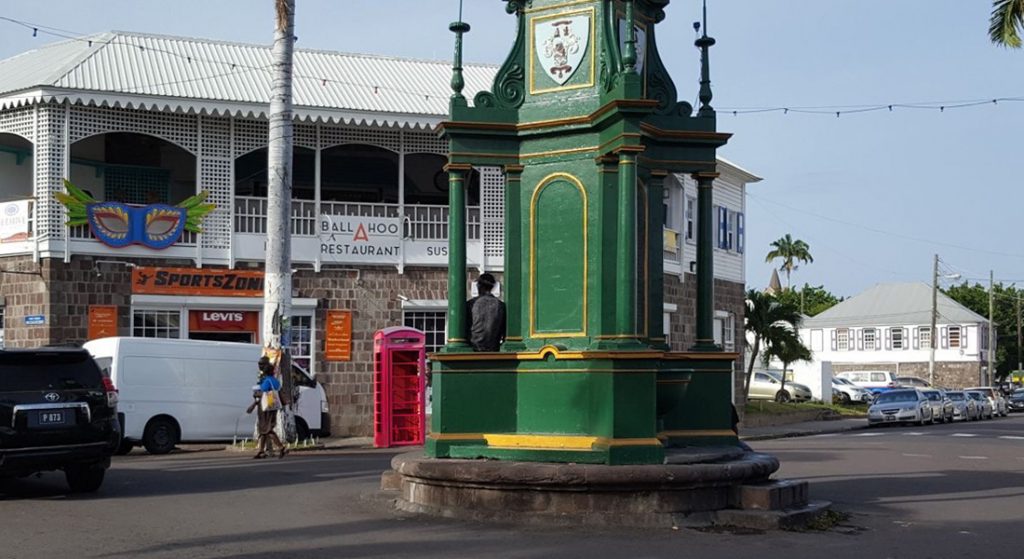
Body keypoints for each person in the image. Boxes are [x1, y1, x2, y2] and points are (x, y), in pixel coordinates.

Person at [249, 355, 287, 459]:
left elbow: (262, 394)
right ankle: (261, 451)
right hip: (274, 407)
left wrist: (255, 396)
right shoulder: (275, 380)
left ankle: (281, 447)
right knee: (263, 430)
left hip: (265, 408)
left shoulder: (266, 381)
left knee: (267, 430)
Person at [466, 272, 506, 352]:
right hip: (494, 348)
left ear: (479, 286)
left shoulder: (470, 304)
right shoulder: (501, 305)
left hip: (474, 349)